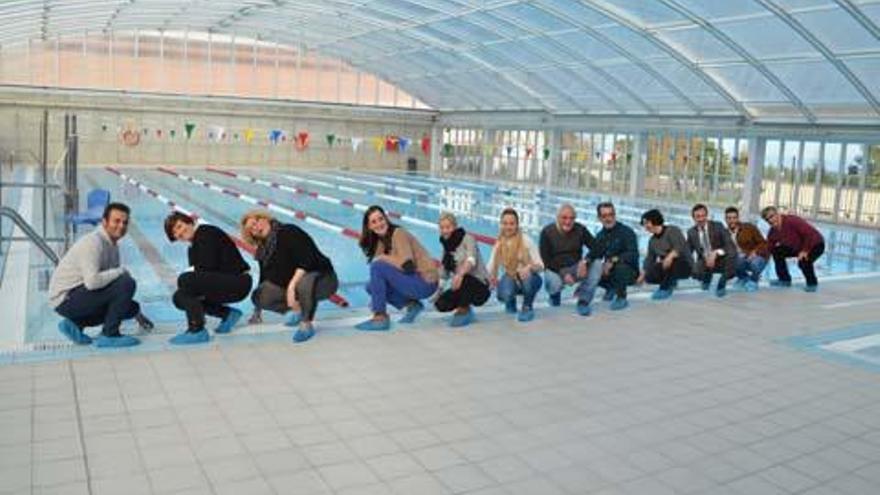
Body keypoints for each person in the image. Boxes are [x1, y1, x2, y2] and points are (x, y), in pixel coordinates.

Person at [49, 202, 153, 347]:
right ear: (104, 222)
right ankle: (110, 335)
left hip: (77, 296)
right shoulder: (93, 242)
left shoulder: (112, 245)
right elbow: (92, 282)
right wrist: (120, 271)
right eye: (116, 221)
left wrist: (138, 315)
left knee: (130, 308)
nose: (121, 226)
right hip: (65, 298)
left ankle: (74, 324)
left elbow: (115, 291)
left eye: (125, 222)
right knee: (126, 282)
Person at [241, 211, 338, 342]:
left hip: (323, 280)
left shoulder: (289, 231)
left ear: (264, 218)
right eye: (251, 229)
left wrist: (291, 287)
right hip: (297, 287)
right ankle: (298, 309)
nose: (255, 227)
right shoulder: (263, 250)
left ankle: (306, 323)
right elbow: (264, 278)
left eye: (255, 222)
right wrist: (257, 311)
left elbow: (307, 261)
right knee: (260, 295)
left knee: (304, 281)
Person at [164, 212, 251, 345]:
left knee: (185, 280)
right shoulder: (192, 247)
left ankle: (197, 330)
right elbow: (200, 276)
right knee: (179, 297)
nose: (179, 232)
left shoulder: (206, 232)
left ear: (190, 222)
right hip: (225, 282)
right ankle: (227, 314)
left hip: (238, 282)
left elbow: (207, 267)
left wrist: (187, 278)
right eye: (175, 233)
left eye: (179, 226)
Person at [356, 205, 439, 331]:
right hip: (413, 281)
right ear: (369, 227)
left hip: (425, 282)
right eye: (374, 222)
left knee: (377, 266)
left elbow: (408, 267)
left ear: (386, 219)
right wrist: (376, 299)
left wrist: (383, 257)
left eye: (381, 219)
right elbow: (380, 278)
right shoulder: (380, 242)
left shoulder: (398, 233)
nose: (379, 223)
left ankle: (380, 318)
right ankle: (412, 305)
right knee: (370, 286)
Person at [539, 204, 600, 316]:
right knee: (553, 281)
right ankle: (554, 294)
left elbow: (597, 248)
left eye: (572, 218)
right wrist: (563, 273)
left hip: (576, 268)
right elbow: (546, 260)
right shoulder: (547, 232)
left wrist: (586, 261)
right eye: (564, 218)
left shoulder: (580, 230)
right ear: (557, 218)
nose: (568, 222)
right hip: (556, 269)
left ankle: (583, 300)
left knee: (597, 264)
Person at [434, 212, 491, 327]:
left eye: (448, 227)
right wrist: (439, 291)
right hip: (462, 285)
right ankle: (467, 309)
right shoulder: (447, 246)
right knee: (441, 304)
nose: (445, 231)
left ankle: (463, 309)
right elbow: (444, 271)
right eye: (442, 228)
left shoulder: (468, 239)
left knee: (465, 278)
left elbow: (471, 260)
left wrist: (459, 275)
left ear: (455, 227)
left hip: (480, 286)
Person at [488, 208, 544, 322]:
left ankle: (527, 306)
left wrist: (529, 268)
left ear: (517, 225)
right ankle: (511, 300)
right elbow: (491, 264)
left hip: (530, 277)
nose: (508, 227)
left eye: (512, 224)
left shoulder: (526, 240)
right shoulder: (499, 242)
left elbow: (541, 265)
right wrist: (487, 279)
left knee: (527, 279)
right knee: (503, 294)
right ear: (501, 224)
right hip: (511, 276)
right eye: (505, 223)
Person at [761, 206, 825, 292]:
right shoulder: (773, 231)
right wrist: (757, 256)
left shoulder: (792, 220)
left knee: (803, 261)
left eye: (772, 216)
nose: (770, 220)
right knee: (777, 251)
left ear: (778, 214)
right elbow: (769, 247)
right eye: (767, 219)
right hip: (797, 247)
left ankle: (812, 284)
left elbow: (809, 235)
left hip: (815, 244)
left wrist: (805, 250)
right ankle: (784, 280)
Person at [588, 202, 639, 311]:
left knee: (620, 267)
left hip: (629, 272)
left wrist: (613, 260)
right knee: (591, 267)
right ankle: (610, 288)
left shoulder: (626, 232)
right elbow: (593, 254)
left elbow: (633, 255)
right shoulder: (600, 235)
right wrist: (584, 264)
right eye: (604, 216)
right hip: (609, 271)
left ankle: (621, 297)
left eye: (611, 215)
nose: (608, 218)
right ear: (599, 218)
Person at [637, 209, 692, 300]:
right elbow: (650, 259)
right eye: (644, 224)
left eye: (647, 223)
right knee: (650, 275)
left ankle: (665, 288)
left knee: (673, 262)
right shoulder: (652, 241)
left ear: (654, 220)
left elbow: (680, 247)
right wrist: (643, 274)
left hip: (684, 264)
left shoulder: (672, 230)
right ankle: (671, 281)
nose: (645, 226)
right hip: (666, 266)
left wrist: (670, 256)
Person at [687, 204, 737, 297]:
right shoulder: (691, 232)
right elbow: (687, 252)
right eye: (698, 216)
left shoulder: (718, 226)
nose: (701, 219)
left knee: (732, 255)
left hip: (721, 259)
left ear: (707, 215)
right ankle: (706, 277)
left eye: (703, 216)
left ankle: (721, 285)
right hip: (705, 260)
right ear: (693, 218)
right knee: (694, 269)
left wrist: (715, 253)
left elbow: (730, 246)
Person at [724, 207, 769, 292]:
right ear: (725, 219)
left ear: (738, 218)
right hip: (741, 259)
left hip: (757, 256)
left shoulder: (748, 227)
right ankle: (744, 278)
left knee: (755, 263)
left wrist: (755, 252)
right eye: (729, 218)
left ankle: (754, 280)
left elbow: (763, 243)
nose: (732, 220)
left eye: (734, 218)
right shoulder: (725, 233)